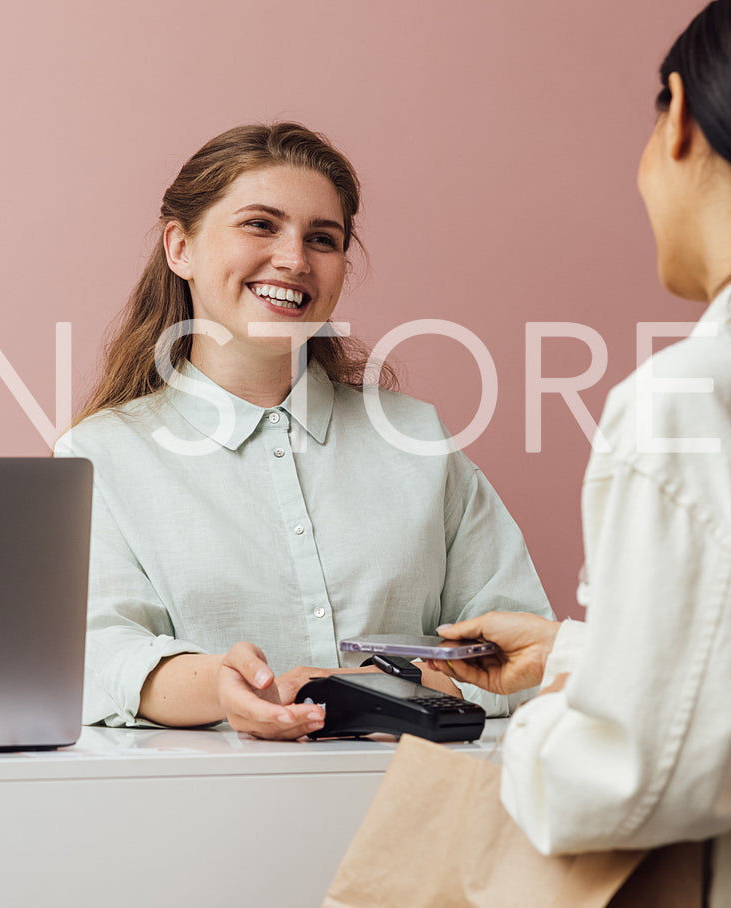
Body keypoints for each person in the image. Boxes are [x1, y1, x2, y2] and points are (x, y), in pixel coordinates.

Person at [426, 0, 731, 906]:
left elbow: (629, 781)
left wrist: (536, 730)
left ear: (677, 117)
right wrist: (574, 654)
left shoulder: (688, 405)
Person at [55, 122, 553, 740]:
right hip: (198, 814)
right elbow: (94, 654)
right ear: (179, 247)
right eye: (260, 225)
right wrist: (224, 687)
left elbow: (527, 646)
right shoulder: (101, 454)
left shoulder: (416, 436)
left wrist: (400, 695)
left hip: (410, 805)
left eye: (323, 238)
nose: (294, 260)